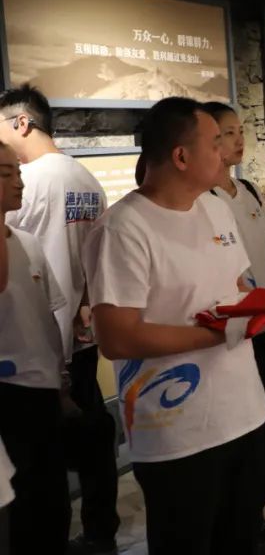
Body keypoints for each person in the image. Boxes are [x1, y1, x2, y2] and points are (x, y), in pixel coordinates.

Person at [83, 97, 265, 555]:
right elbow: (117, 337)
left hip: (244, 412)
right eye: (215, 141)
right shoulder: (123, 229)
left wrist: (264, 310)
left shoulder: (215, 209)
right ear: (181, 156)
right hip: (178, 430)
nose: (225, 150)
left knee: (241, 539)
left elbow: (236, 286)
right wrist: (218, 334)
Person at [0, 84, 117, 555]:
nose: (14, 179)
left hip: (40, 351)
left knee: (39, 468)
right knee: (88, 445)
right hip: (74, 338)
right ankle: (100, 531)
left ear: (21, 123)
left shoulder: (33, 181)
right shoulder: (85, 176)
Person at [203, 102, 265, 550]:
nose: (239, 140)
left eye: (240, 131)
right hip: (231, 332)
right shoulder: (202, 200)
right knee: (239, 433)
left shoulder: (248, 190)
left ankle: (254, 514)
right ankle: (232, 522)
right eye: (227, 133)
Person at [0, 142, 70, 555]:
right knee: (20, 508)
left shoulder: (27, 242)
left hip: (42, 389)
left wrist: (61, 377)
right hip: (9, 391)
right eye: (5, 173)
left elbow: (47, 315)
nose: (18, 182)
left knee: (51, 499)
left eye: (18, 171)